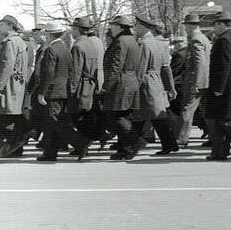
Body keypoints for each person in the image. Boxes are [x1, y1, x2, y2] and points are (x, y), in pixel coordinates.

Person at [33, 23, 89, 161]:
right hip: (63, 90)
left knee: (55, 120)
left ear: (50, 34)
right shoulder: (64, 48)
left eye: (46, 33)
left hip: (53, 91)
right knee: (51, 122)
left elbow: (49, 73)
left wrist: (42, 92)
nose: (44, 36)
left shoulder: (51, 50)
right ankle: (50, 152)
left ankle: (80, 142)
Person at [134, 15, 180, 156]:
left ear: (142, 28)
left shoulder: (144, 44)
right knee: (156, 115)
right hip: (157, 80)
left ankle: (131, 145)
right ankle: (170, 144)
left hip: (147, 82)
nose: (135, 29)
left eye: (136, 26)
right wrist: (170, 87)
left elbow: (140, 68)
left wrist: (135, 86)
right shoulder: (158, 43)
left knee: (144, 115)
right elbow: (166, 67)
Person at [202, 11, 231, 160]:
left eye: (215, 25)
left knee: (223, 120)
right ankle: (219, 151)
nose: (214, 28)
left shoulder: (224, 40)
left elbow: (223, 66)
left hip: (223, 88)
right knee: (220, 120)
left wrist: (218, 89)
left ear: (221, 24)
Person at [0, 14, 29, 160]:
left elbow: (6, 66)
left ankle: (17, 142)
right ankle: (17, 146)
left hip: (9, 84)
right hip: (17, 83)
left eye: (2, 24)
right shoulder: (19, 41)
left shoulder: (10, 42)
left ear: (10, 26)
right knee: (11, 116)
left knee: (7, 116)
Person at [102, 14, 142, 160]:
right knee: (123, 116)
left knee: (116, 116)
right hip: (131, 81)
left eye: (113, 26)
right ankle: (125, 148)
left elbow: (116, 66)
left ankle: (135, 141)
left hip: (121, 83)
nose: (111, 28)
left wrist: (107, 86)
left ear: (119, 27)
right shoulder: (132, 40)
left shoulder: (120, 41)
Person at [67, 15, 104, 144]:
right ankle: (96, 137)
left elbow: (75, 71)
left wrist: (71, 90)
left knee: (77, 115)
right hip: (92, 83)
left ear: (77, 29)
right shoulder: (91, 43)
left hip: (82, 85)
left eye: (73, 29)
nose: (72, 32)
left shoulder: (78, 46)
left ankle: (87, 141)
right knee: (87, 113)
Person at [176, 13, 210, 148]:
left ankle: (181, 138)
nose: (185, 29)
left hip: (195, 81)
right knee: (206, 112)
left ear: (190, 26)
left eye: (186, 25)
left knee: (187, 110)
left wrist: (196, 83)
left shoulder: (196, 39)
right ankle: (214, 137)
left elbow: (199, 63)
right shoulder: (203, 38)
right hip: (203, 80)